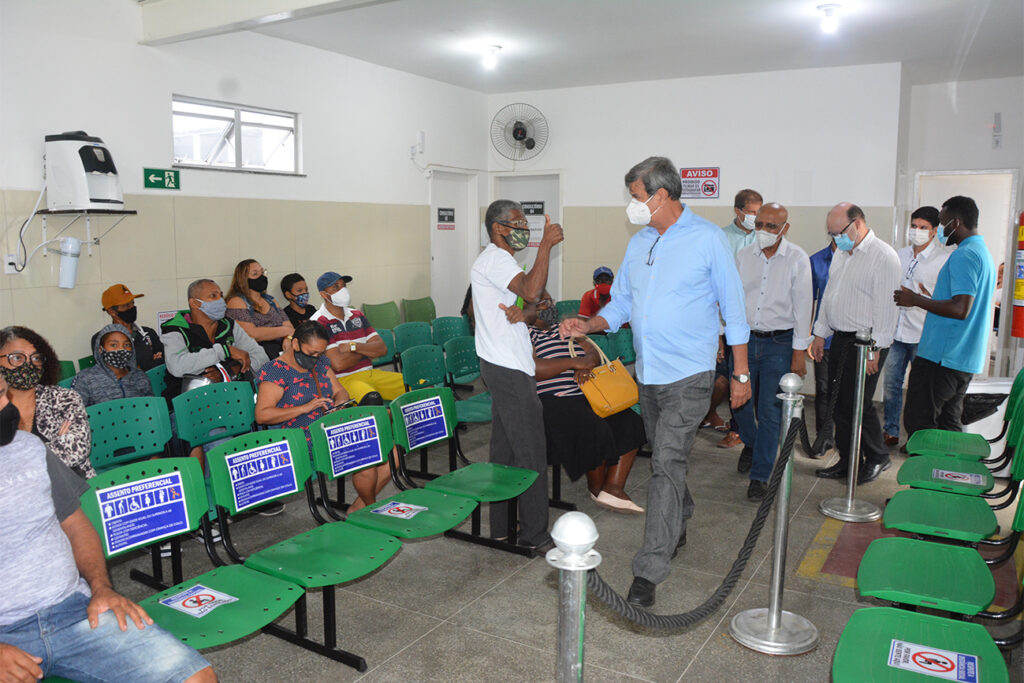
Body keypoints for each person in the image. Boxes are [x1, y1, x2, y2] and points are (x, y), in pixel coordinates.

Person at [560, 156, 750, 608]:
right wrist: (591, 323)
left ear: (661, 195)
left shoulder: (707, 239)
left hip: (691, 374)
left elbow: (736, 310)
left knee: (664, 462)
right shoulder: (641, 241)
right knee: (669, 457)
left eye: (637, 196)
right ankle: (679, 514)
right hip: (649, 373)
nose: (634, 205)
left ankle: (649, 569)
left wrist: (740, 373)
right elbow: (623, 302)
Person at [0, 376, 216, 683]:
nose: (8, 405)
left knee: (196, 677)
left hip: (71, 610)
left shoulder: (28, 447)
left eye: (2, 392)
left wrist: (101, 587)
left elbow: (75, 523)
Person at [471, 199, 563, 555]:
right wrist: (546, 247)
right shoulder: (495, 257)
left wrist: (524, 311)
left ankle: (500, 526)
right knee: (530, 452)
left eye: (526, 221)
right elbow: (531, 290)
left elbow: (528, 301)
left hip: (505, 363)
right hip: (507, 368)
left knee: (506, 452)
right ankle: (535, 534)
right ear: (498, 228)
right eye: (517, 222)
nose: (524, 227)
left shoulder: (502, 262)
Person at [255, 322, 391, 512]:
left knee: (390, 455)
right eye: (312, 353)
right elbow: (262, 415)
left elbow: (340, 392)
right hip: (302, 436)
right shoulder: (275, 371)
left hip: (330, 426)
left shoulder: (320, 363)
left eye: (320, 353)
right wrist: (304, 408)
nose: (316, 358)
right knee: (366, 456)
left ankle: (358, 509)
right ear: (295, 344)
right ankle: (371, 510)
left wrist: (337, 405)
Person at [809, 203, 900, 485]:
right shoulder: (843, 254)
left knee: (858, 403)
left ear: (858, 224)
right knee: (839, 404)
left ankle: (877, 457)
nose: (836, 238)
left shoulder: (883, 256)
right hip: (841, 338)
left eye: (840, 231)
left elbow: (887, 310)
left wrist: (875, 349)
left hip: (867, 341)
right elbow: (829, 296)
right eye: (831, 233)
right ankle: (848, 460)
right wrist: (820, 333)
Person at [528, 294, 645, 512]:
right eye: (543, 302)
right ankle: (596, 488)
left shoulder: (563, 329)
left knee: (630, 420)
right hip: (552, 400)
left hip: (585, 393)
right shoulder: (527, 334)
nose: (549, 305)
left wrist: (588, 366)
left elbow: (593, 353)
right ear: (528, 308)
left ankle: (612, 488)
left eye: (550, 301)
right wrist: (574, 363)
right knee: (594, 428)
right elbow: (534, 369)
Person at [732, 203, 812, 501]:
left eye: (771, 226)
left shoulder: (797, 259)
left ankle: (760, 474)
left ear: (784, 228)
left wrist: (798, 351)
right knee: (739, 405)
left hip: (779, 343)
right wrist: (720, 336)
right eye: (760, 224)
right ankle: (752, 444)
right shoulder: (743, 256)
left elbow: (804, 305)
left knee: (769, 411)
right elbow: (732, 299)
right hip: (743, 342)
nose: (764, 231)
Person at [897, 196, 996, 437]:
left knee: (921, 424)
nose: (940, 229)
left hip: (943, 357)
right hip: (962, 357)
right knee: (948, 426)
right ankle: (948, 473)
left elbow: (961, 309)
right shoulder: (982, 252)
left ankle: (928, 472)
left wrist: (916, 300)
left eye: (941, 223)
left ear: (956, 222)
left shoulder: (965, 255)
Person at [882, 206, 950, 446]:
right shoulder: (898, 255)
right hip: (896, 332)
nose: (917, 232)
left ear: (933, 231)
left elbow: (947, 301)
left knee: (919, 390)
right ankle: (890, 430)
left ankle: (916, 437)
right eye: (914, 226)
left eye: (923, 228)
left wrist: (924, 295)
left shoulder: (944, 260)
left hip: (923, 334)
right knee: (891, 385)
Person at [0, 326, 94, 479]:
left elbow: (77, 450)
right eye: (17, 357)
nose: (28, 365)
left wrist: (14, 460)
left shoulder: (64, 399)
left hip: (71, 486)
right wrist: (55, 445)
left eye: (35, 358)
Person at [160, 279, 269, 400]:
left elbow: (262, 358)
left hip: (230, 398)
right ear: (195, 303)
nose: (221, 300)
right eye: (213, 296)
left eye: (221, 295)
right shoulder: (175, 329)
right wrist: (224, 351)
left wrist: (231, 371)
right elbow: (177, 366)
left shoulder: (229, 325)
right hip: (187, 402)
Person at [312, 272, 405, 404]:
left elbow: (382, 349)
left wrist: (354, 347)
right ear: (323, 294)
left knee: (419, 385)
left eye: (343, 286)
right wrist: (367, 352)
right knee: (372, 400)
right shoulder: (318, 322)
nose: (342, 290)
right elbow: (338, 364)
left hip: (371, 373)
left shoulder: (357, 315)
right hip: (344, 380)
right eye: (335, 287)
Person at [225, 259, 294, 359]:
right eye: (255, 274)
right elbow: (252, 334)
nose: (261, 277)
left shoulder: (271, 300)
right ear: (243, 279)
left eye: (262, 272)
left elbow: (289, 326)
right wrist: (285, 332)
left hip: (280, 351)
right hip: (256, 356)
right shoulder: (237, 301)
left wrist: (288, 338)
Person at [72, 324, 154, 407]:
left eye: (126, 345)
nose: (121, 349)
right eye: (113, 345)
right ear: (100, 349)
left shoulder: (140, 376)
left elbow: (151, 408)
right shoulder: (85, 378)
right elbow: (75, 413)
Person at [97, 284, 164, 371]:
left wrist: (140, 366)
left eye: (133, 303)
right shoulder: (102, 339)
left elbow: (164, 361)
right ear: (112, 311)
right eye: (126, 305)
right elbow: (118, 372)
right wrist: (151, 363)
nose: (132, 307)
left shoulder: (148, 333)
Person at [808, 238, 836, 443]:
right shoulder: (817, 261)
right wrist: (808, 335)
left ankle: (846, 438)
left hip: (851, 338)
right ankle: (824, 438)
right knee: (824, 388)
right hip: (823, 339)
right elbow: (809, 300)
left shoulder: (861, 260)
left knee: (847, 392)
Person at [721, 188, 764, 256]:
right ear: (737, 211)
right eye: (751, 212)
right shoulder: (721, 236)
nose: (756, 216)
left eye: (758, 212)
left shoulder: (764, 236)